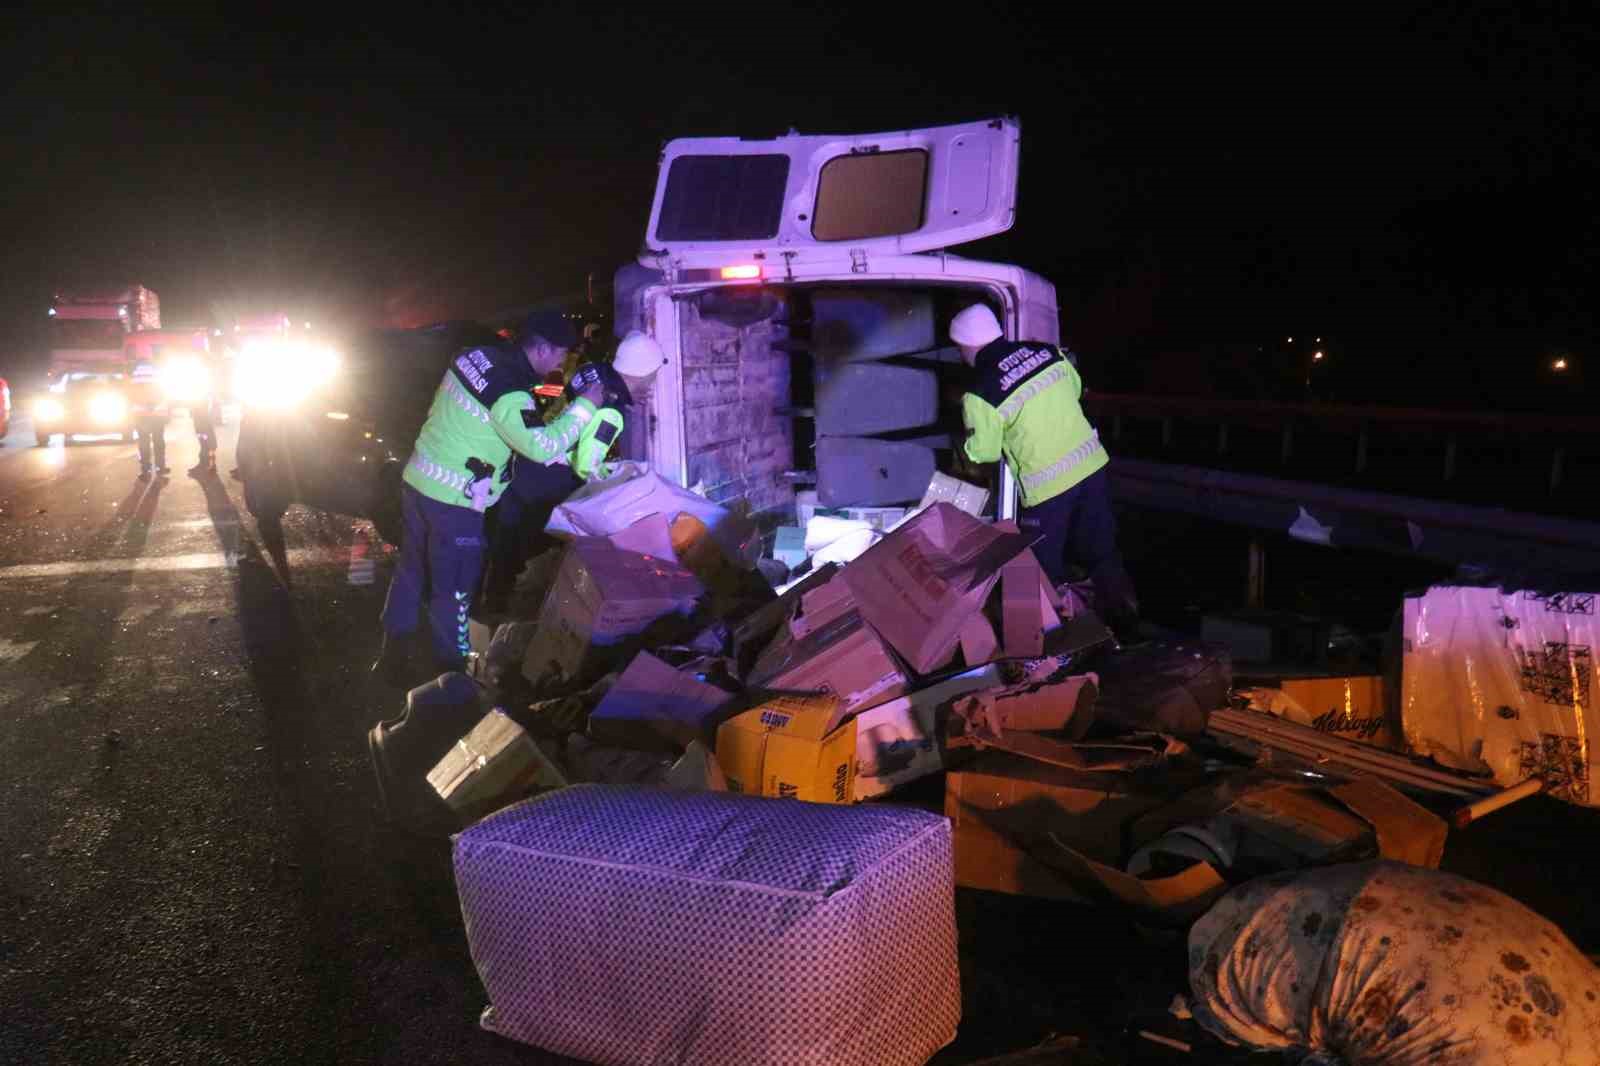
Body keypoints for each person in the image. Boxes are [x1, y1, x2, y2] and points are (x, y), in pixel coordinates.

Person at [372, 311, 605, 684]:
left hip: (419, 482)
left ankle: (391, 655)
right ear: (542, 349)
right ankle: (450, 677)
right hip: (455, 501)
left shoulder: (476, 357)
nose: (562, 362)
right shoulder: (509, 390)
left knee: (411, 571)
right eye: (561, 353)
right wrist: (587, 405)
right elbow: (540, 447)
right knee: (454, 591)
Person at [949, 303, 1140, 639]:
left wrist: (965, 444)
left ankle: (1044, 645)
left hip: (1048, 489)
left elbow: (985, 452)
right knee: (1102, 552)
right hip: (1091, 469)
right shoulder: (1048, 353)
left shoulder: (980, 391)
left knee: (1037, 570)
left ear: (965, 345)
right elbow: (1075, 389)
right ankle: (1127, 630)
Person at [477, 330, 667, 614]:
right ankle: (503, 610)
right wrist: (614, 475)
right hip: (548, 481)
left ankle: (485, 601)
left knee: (503, 540)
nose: (653, 382)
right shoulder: (611, 412)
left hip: (530, 457)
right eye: (652, 375)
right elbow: (586, 465)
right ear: (642, 374)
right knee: (529, 548)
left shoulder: (591, 372)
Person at [127, 358, 170, 479]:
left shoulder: (133, 373)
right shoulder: (158, 372)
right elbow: (165, 391)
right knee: (158, 441)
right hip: (157, 413)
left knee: (143, 442)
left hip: (140, 413)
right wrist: (154, 405)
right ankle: (161, 466)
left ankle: (145, 469)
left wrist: (142, 404)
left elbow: (129, 393)